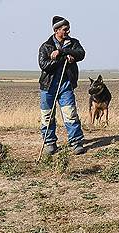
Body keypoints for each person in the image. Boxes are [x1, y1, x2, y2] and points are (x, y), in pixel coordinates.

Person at [38, 16, 87, 155]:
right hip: (48, 87)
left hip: (66, 85)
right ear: (56, 30)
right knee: (47, 115)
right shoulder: (45, 46)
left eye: (68, 28)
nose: (68, 31)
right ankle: (49, 143)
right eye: (65, 29)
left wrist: (63, 52)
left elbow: (81, 54)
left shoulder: (73, 43)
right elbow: (44, 65)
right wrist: (62, 59)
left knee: (70, 114)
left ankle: (76, 142)